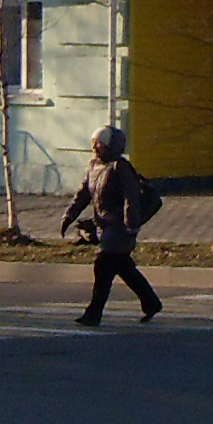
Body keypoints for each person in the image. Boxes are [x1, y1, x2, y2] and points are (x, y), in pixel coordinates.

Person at [62, 124, 163, 326]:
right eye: (94, 143)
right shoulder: (93, 166)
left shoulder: (121, 167)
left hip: (121, 227)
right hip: (104, 227)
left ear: (111, 145)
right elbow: (83, 194)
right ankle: (151, 303)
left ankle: (93, 314)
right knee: (124, 267)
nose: (95, 147)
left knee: (103, 266)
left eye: (99, 143)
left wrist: (131, 224)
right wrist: (69, 216)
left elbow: (131, 197)